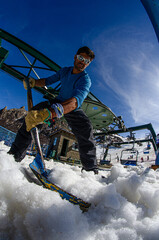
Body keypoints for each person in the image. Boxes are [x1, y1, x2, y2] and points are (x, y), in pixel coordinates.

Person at [8, 46, 98, 174]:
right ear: (75, 57)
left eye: (87, 61)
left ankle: (90, 169)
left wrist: (50, 113)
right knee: (31, 117)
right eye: (81, 58)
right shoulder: (65, 71)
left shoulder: (85, 80)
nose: (83, 62)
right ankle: (14, 155)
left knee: (86, 127)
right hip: (58, 100)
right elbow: (47, 81)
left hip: (72, 106)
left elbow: (75, 101)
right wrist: (33, 82)